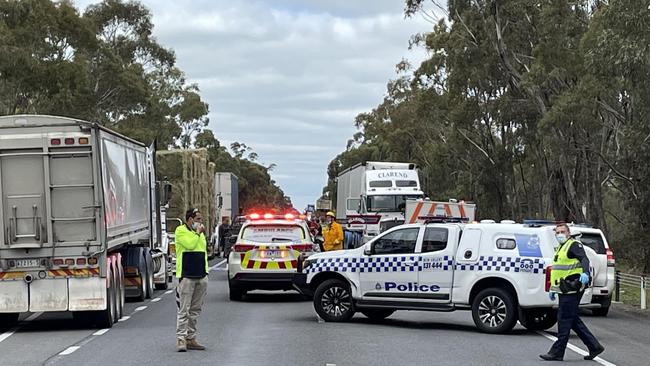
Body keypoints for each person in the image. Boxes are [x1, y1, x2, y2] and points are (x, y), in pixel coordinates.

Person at [540, 223, 604, 361]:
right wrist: (553, 289)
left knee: (563, 319)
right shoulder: (561, 248)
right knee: (572, 319)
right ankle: (594, 346)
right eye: (558, 232)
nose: (560, 234)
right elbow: (559, 271)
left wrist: (586, 273)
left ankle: (557, 352)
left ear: (568, 233)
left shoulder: (574, 245)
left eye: (563, 232)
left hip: (572, 288)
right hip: (564, 289)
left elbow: (584, 259)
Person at [175, 208, 209, 352]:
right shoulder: (180, 231)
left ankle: (191, 338)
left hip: (201, 275)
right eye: (198, 219)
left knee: (195, 310)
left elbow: (203, 251)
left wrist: (206, 272)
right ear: (190, 219)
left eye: (201, 219)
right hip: (187, 275)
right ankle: (181, 338)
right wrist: (197, 233)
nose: (200, 222)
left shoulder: (200, 234)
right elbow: (190, 245)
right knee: (184, 309)